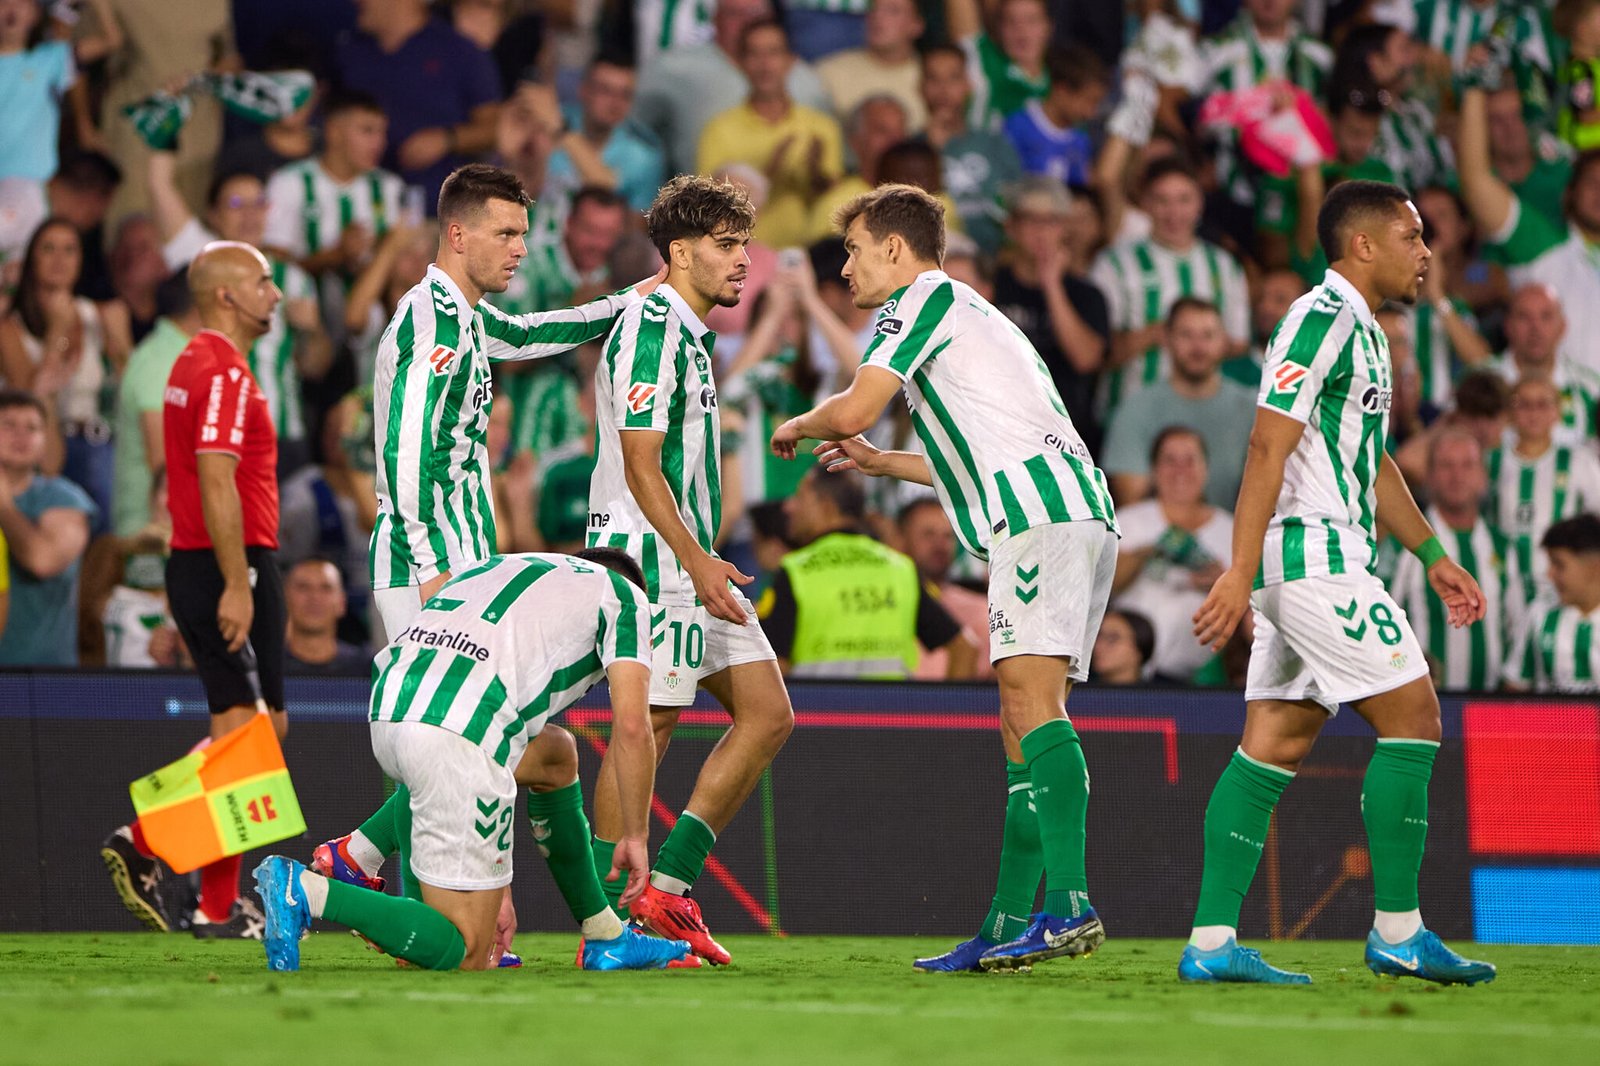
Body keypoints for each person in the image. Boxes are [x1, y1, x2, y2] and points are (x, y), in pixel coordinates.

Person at [311, 165, 666, 968]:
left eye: (523, 235)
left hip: (466, 564)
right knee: (462, 740)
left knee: (529, 749)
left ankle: (379, 867)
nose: (518, 249)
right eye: (505, 234)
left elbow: (534, 332)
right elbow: (401, 461)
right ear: (457, 233)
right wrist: (439, 578)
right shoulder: (425, 324)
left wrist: (627, 302)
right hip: (426, 571)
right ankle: (376, 884)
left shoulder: (467, 320)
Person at [771, 183, 1118, 972]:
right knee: (1021, 721)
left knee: (1034, 704)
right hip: (1065, 511)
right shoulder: (974, 315)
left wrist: (800, 423)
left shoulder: (920, 298)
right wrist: (882, 463)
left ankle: (1068, 905)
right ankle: (1004, 921)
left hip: (1040, 519)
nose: (845, 270)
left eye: (854, 250)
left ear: (896, 248)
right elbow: (981, 450)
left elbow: (857, 405)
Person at [1182, 180, 1495, 986]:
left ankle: (1212, 943)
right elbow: (1264, 446)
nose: (1426, 253)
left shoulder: (1363, 331)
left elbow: (1369, 459)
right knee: (1416, 716)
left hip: (1315, 561)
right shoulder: (1320, 318)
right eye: (1412, 236)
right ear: (1362, 244)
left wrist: (1431, 554)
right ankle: (1398, 931)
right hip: (1312, 562)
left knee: (1272, 746)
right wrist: (1239, 573)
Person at [252, 548, 692, 972]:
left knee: (556, 756)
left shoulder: (505, 567)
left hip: (389, 706)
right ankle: (307, 891)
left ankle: (604, 935)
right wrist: (634, 833)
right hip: (459, 731)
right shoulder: (627, 597)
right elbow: (633, 726)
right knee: (467, 948)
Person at [585, 174, 794, 966]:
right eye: (727, 245)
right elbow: (641, 464)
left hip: (691, 560)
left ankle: (666, 890)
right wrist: (694, 557)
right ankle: (606, 926)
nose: (744, 260)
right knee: (651, 728)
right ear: (680, 253)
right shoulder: (650, 328)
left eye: (745, 243)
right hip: (654, 560)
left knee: (769, 714)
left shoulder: (690, 331)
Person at [100, 241, 286, 941]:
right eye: (264, 282)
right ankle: (144, 841)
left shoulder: (188, 363)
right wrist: (238, 583)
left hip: (204, 558)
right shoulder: (225, 371)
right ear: (228, 296)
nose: (275, 293)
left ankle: (215, 906)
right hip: (226, 561)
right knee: (244, 735)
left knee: (253, 732)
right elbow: (216, 478)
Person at [149, 151, 333, 476]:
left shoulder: (294, 280)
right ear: (214, 216)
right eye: (236, 205)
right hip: (216, 436)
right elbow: (160, 188)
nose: (250, 215)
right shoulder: (200, 264)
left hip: (281, 437)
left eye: (258, 203)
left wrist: (312, 330)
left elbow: (315, 368)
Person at [759, 466, 974, 679]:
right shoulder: (900, 569)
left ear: (826, 508)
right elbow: (966, 648)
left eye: (800, 497)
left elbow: (773, 668)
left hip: (820, 712)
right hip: (894, 712)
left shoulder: (795, 571)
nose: (789, 507)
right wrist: (944, 710)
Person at [1089, 160, 1250, 414]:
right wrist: (1158, 333)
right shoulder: (1114, 264)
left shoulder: (1224, 266)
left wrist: (1194, 341)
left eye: (1184, 199)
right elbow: (1098, 353)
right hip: (1128, 415)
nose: (1174, 212)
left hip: (1205, 419)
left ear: (1199, 203)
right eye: (1162, 200)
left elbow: (1238, 345)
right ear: (1145, 204)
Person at [0, 218, 132, 526]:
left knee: (104, 546)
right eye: (49, 249)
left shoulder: (99, 315)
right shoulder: (10, 327)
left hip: (100, 446)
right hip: (40, 450)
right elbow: (29, 394)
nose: (60, 259)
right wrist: (58, 330)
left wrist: (122, 344)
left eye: (70, 250)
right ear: (32, 259)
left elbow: (129, 385)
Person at [631, 0, 831, 177]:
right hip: (697, 208)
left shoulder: (808, 82)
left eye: (754, 14)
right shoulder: (672, 69)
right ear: (715, 19)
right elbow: (635, 130)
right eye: (734, 14)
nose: (746, 23)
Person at [335, 0, 501, 208]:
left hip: (438, 209)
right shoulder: (349, 52)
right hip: (359, 208)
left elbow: (494, 128)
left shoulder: (460, 52)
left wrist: (446, 139)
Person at [1388, 429, 1518, 692]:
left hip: (1490, 710)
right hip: (1422, 704)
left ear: (1483, 476)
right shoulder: (1402, 545)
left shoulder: (1503, 547)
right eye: (1446, 466)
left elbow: (1517, 627)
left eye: (1467, 465)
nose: (1457, 476)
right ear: (1430, 476)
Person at [696, 18, 843, 250]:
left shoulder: (822, 127)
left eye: (773, 52)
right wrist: (768, 174)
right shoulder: (718, 130)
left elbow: (832, 203)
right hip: (743, 255)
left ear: (791, 60)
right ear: (740, 63)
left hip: (811, 253)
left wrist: (815, 175)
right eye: (754, 54)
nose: (765, 64)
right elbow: (712, 209)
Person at [989, 177, 1110, 448]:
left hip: (1068, 438)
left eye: (1052, 220)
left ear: (1065, 228)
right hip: (1000, 431)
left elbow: (1085, 359)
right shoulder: (990, 286)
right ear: (1011, 227)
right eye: (1031, 220)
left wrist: (1052, 284)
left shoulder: (1086, 294)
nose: (1041, 231)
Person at [1102, 298, 1256, 509]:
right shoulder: (1135, 408)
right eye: (1186, 334)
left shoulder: (1253, 409)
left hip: (1236, 536)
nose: (1198, 346)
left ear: (1224, 341)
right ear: (1166, 338)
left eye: (1208, 335)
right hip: (1154, 539)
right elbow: (1131, 504)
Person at [1111, 426, 1234, 683]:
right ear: (1154, 470)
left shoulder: (1231, 530)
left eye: (1190, 460)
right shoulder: (1129, 520)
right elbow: (1105, 587)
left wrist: (1221, 583)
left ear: (1206, 469)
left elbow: (1249, 608)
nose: (1180, 470)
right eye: (1170, 460)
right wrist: (1150, 552)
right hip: (1129, 671)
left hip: (1202, 675)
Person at [262, 90, 403, 286]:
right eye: (368, 131)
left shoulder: (389, 187)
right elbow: (272, 265)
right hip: (301, 310)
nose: (379, 143)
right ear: (334, 132)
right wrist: (336, 255)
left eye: (382, 133)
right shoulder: (289, 182)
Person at [0, 388, 95, 666]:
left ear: (45, 441)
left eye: (33, 428)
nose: (21, 435)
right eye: (8, 425)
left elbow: (43, 561)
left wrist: (4, 506)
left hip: (49, 680)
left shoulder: (65, 498)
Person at [1486, 377, 1600, 607]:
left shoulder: (1579, 461)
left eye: (1543, 404)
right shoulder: (1490, 461)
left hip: (1562, 589)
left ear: (1556, 412)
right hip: (1502, 584)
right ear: (1509, 412)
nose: (1533, 413)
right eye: (1524, 404)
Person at [914, 43, 1024, 257]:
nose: (943, 89)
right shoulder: (909, 152)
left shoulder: (995, 144)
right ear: (920, 88)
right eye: (934, 79)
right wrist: (932, 149)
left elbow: (1017, 207)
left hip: (994, 259)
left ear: (968, 85)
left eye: (953, 78)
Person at [1486, 284, 1599, 441]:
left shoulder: (1590, 387)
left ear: (1562, 326)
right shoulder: (1481, 381)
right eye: (1524, 317)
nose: (1535, 328)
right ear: (1508, 326)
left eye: (1546, 316)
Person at [1504, 513, 1600, 693]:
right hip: (1546, 722)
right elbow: (1514, 690)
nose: (1549, 574)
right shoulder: (1539, 613)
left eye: (1559, 565)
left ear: (1594, 567)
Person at [899, 496, 991, 682]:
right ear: (900, 539)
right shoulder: (885, 601)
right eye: (928, 534)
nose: (940, 544)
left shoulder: (984, 612)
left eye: (948, 536)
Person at [1003, 45, 1109, 188]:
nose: (1091, 112)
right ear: (1062, 91)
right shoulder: (1017, 126)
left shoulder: (1080, 139)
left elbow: (1078, 188)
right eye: (1088, 101)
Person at [814, 0, 926, 130]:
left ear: (917, 25)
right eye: (873, 9)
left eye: (892, 11)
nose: (877, 16)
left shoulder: (933, 77)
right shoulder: (828, 73)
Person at [944, 0, 1052, 132]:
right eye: (1011, 22)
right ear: (999, 29)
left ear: (1048, 27)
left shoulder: (1061, 80)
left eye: (1031, 20)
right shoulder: (981, 58)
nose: (1021, 30)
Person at [281, 558, 368, 674]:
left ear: (342, 603)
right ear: (285, 600)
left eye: (326, 588)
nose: (315, 598)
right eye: (303, 587)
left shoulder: (367, 670)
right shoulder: (264, 667)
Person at [1088, 607, 1156, 685]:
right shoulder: (1076, 691)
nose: (1098, 646)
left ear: (1139, 649)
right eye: (1097, 636)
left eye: (1112, 639)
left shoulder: (1161, 693)